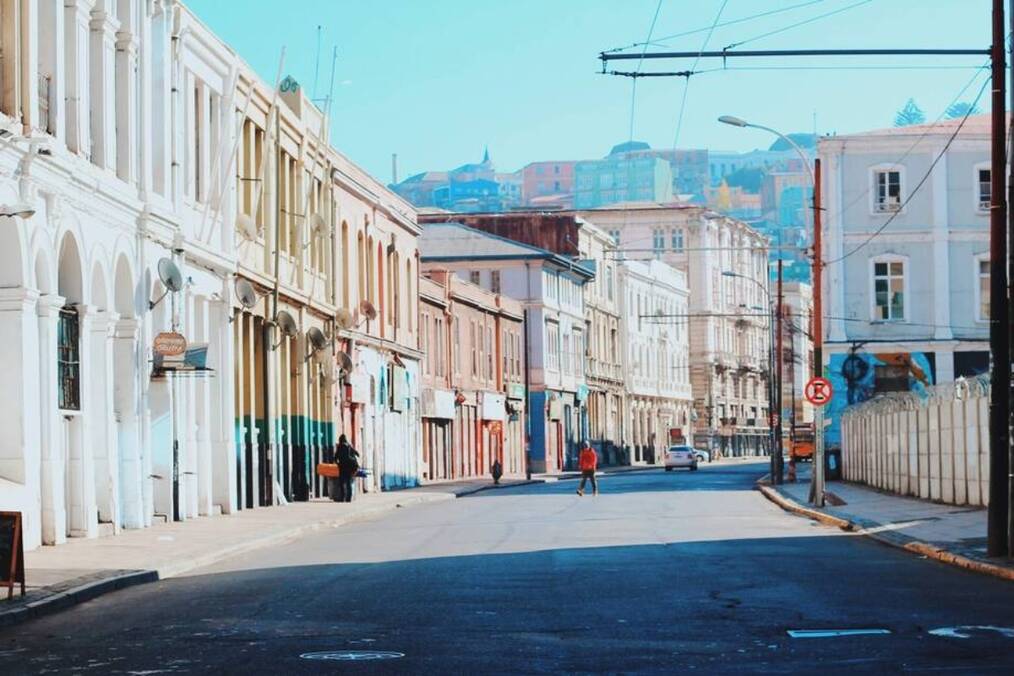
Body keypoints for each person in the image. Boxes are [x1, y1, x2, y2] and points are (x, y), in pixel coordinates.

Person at [335, 434, 360, 503]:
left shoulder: (339, 447)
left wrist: (337, 464)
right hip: (349, 467)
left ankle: (342, 497)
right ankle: (348, 498)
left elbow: (335, 457)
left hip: (342, 467)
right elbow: (356, 453)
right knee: (348, 483)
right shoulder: (349, 446)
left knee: (342, 483)